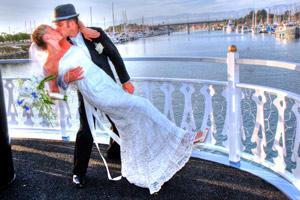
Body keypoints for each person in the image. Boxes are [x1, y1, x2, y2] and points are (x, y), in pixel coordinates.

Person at [31, 24, 206, 194]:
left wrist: (83, 29)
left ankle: (144, 161)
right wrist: (66, 78)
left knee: (130, 120)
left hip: (107, 84)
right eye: (51, 29)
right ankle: (183, 138)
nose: (57, 29)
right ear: (47, 37)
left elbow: (84, 30)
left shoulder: (69, 40)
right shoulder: (49, 63)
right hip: (95, 93)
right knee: (140, 107)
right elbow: (54, 94)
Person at [52, 4, 134, 188]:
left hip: (109, 87)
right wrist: (66, 77)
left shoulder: (95, 33)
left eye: (64, 23)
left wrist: (125, 81)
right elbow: (55, 74)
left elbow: (114, 54)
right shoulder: (60, 46)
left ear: (74, 22)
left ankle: (115, 152)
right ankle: (78, 173)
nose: (61, 27)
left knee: (119, 119)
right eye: (59, 24)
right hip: (88, 93)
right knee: (86, 132)